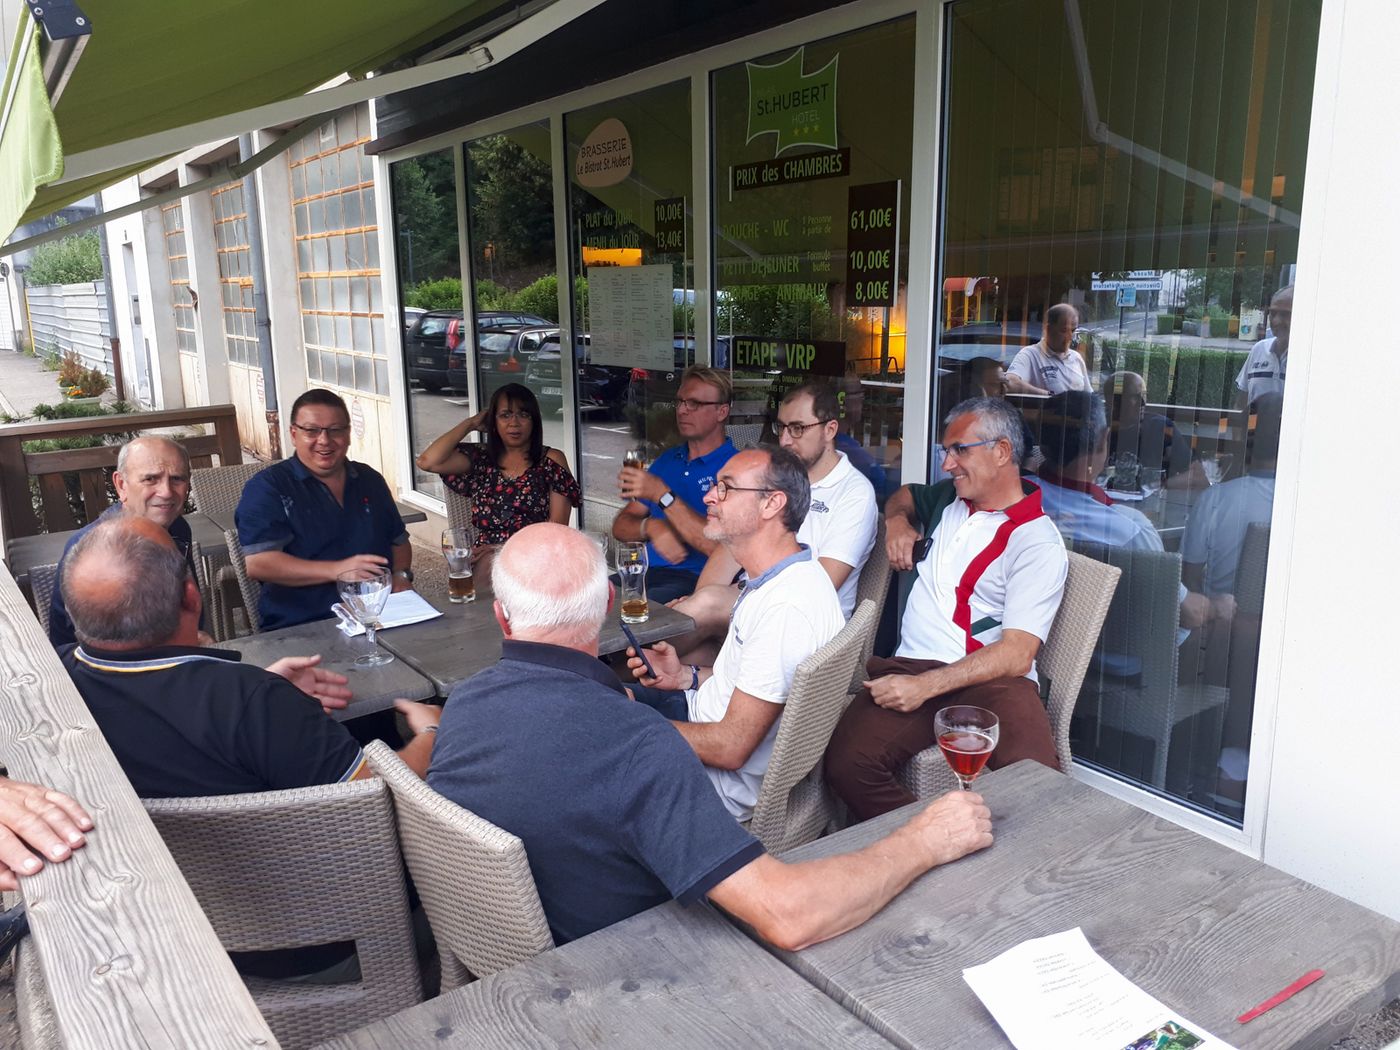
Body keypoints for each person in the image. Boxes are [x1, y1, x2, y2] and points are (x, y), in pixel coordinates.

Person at [428, 522, 993, 948]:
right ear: (607, 605)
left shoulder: (460, 708)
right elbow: (789, 914)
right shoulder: (639, 746)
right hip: (633, 977)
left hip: (501, 959)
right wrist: (923, 840)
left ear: (502, 616)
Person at [58, 514, 441, 799]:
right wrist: (433, 734)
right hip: (304, 877)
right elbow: (372, 796)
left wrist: (262, 684)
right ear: (191, 596)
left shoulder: (54, 682)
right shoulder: (257, 704)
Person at [824, 397, 1066, 822]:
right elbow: (903, 496)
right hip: (912, 662)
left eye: (959, 451)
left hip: (995, 678)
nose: (947, 464)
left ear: (1002, 451)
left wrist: (925, 687)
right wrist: (898, 522)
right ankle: (934, 839)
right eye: (945, 451)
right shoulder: (948, 499)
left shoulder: (1036, 541)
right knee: (848, 765)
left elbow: (1017, 654)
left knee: (1040, 789)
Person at [625, 447, 846, 821]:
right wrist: (685, 676)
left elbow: (730, 747)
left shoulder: (786, 608)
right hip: (699, 713)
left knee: (587, 739)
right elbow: (754, 683)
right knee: (596, 698)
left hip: (712, 783)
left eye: (726, 488)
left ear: (772, 503)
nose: (709, 497)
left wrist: (636, 726)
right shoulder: (779, 578)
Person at [673, 382, 876, 661]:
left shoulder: (854, 493)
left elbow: (820, 588)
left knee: (700, 610)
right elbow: (731, 546)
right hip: (747, 612)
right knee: (668, 659)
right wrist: (700, 602)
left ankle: (613, 672)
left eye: (798, 428)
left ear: (830, 430)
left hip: (801, 624)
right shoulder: (778, 477)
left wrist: (712, 603)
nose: (785, 440)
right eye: (781, 428)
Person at [1035, 390, 1211, 637]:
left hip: (1043, 637)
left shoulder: (1014, 501)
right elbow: (1188, 613)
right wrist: (1217, 607)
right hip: (1117, 652)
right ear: (1104, 439)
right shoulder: (1131, 531)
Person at [236, 389, 413, 631]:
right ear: (294, 434)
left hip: (380, 616)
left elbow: (398, 541)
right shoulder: (268, 487)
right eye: (312, 431)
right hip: (304, 625)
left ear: (348, 434)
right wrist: (337, 570)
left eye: (335, 430)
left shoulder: (369, 479)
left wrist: (401, 575)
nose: (324, 440)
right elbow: (259, 563)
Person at [49, 436, 204, 648]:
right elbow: (87, 641)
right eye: (150, 479)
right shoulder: (94, 549)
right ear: (121, 485)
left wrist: (195, 636)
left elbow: (187, 605)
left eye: (177, 479)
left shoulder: (178, 528)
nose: (166, 492)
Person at [611, 366, 738, 603]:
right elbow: (621, 527)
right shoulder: (669, 459)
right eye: (679, 402)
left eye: (694, 403)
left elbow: (726, 551)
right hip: (644, 570)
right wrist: (651, 527)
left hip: (695, 579)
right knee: (583, 600)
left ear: (722, 411)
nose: (681, 410)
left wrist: (663, 495)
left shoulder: (736, 468)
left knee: (629, 611)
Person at [415, 382, 581, 553]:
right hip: (485, 555)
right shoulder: (482, 458)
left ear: (534, 421)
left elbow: (556, 529)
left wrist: (501, 551)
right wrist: (471, 423)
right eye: (505, 415)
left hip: (534, 554)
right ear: (493, 421)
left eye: (523, 415)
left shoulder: (550, 461)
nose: (514, 423)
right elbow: (427, 461)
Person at [1006, 304, 1092, 395]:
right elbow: (1010, 382)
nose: (1070, 337)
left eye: (1073, 330)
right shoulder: (1030, 355)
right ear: (1048, 329)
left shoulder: (1076, 358)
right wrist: (1049, 396)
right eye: (1064, 330)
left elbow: (1089, 395)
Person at [1236, 286, 1292, 408]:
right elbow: (1241, 404)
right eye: (1273, 313)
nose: (1276, 321)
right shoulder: (1259, 349)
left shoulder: (1311, 358)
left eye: (1285, 314)